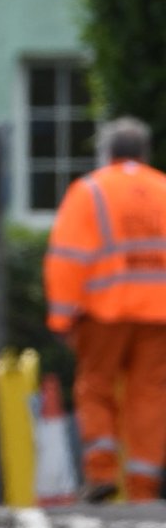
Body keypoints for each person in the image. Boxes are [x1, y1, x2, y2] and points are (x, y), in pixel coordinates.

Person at [44, 116, 166, 503]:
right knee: (150, 395)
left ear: (107, 152)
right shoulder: (162, 188)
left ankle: (102, 471)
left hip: (104, 311)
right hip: (158, 313)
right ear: (144, 152)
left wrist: (62, 317)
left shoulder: (90, 191)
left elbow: (66, 258)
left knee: (95, 387)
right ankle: (143, 487)